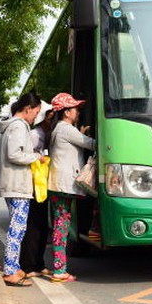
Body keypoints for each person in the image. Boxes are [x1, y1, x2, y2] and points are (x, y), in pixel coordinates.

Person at [0, 93, 44, 287]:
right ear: (28, 108)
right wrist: (36, 157)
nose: (35, 117)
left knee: (17, 227)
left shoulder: (11, 126)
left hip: (12, 183)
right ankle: (11, 270)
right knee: (18, 228)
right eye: (36, 113)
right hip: (17, 184)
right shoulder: (19, 126)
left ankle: (13, 266)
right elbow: (14, 154)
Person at [47, 93, 95, 283]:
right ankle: (59, 270)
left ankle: (59, 267)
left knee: (61, 225)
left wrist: (79, 134)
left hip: (59, 184)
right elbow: (91, 144)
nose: (77, 112)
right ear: (67, 112)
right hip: (63, 184)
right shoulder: (66, 128)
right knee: (61, 226)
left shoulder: (60, 128)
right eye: (75, 109)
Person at [20, 100, 53, 279]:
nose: (52, 120)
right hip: (32, 185)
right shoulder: (34, 134)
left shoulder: (46, 134)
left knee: (41, 226)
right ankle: (28, 265)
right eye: (50, 117)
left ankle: (39, 264)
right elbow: (25, 156)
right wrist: (37, 157)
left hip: (42, 185)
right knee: (32, 226)